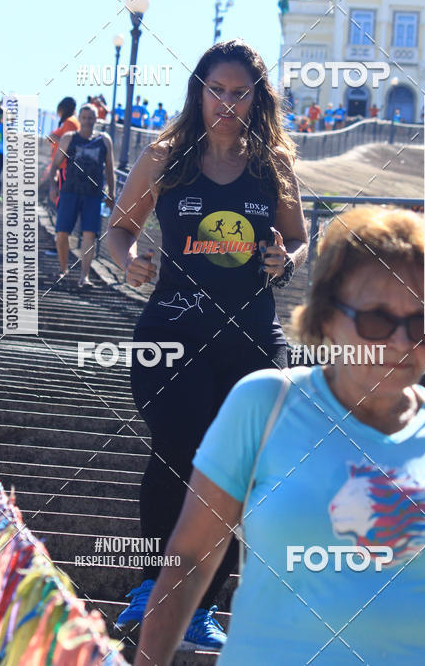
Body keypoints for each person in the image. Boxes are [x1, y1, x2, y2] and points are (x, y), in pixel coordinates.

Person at [132, 204, 425, 666]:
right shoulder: (263, 404)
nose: (401, 343)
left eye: (423, 323)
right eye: (376, 320)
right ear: (325, 319)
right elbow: (191, 560)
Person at [108, 39, 308, 649]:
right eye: (216, 89)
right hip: (172, 334)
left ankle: (200, 605)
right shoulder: (166, 157)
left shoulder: (271, 165)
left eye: (240, 92)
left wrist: (284, 259)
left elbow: (300, 241)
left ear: (256, 98)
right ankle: (152, 587)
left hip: (251, 341)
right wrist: (128, 261)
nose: (227, 102)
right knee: (177, 449)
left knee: (239, 470)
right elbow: (118, 228)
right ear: (198, 91)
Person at [49, 104, 115, 288]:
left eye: (90, 117)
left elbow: (110, 169)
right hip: (70, 192)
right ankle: (63, 270)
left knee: (89, 235)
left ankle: (84, 276)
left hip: (93, 195)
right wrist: (53, 186)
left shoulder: (104, 140)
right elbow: (55, 165)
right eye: (84, 117)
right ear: (80, 118)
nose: (87, 121)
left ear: (96, 119)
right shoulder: (69, 138)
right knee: (61, 233)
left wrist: (112, 193)